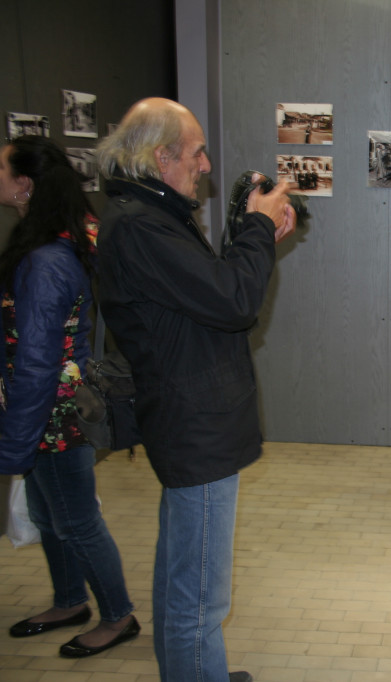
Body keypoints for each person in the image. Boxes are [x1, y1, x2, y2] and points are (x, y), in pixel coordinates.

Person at [95, 98, 296, 682]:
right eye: (197, 152)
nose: (206, 165)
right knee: (199, 601)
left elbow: (215, 294)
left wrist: (255, 236)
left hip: (194, 417)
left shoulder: (152, 217)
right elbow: (234, 302)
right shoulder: (140, 226)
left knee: (181, 576)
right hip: (195, 425)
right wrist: (256, 227)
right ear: (162, 157)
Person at [0, 136, 138, 657]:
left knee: (76, 519)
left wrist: (14, 444)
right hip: (45, 408)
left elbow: (37, 360)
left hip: (54, 414)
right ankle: (68, 600)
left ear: (24, 184)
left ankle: (117, 615)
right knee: (48, 512)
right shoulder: (53, 243)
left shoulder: (47, 261)